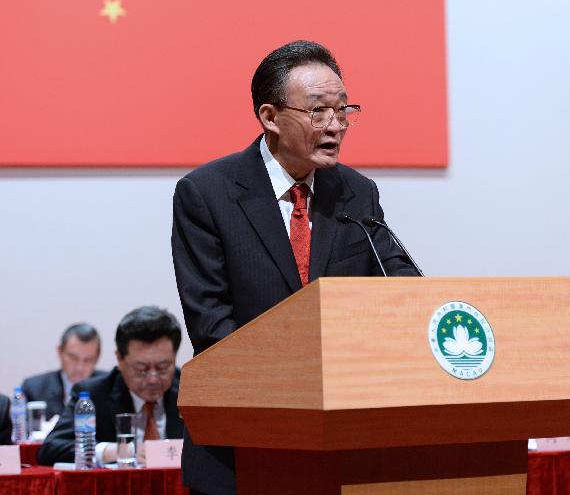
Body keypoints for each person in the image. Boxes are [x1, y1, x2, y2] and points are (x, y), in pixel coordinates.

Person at [171, 40, 417, 495]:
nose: (335, 126)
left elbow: (398, 285)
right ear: (269, 117)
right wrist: (298, 387)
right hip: (242, 447)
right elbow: (211, 324)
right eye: (318, 111)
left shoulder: (356, 193)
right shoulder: (206, 194)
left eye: (343, 111)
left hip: (340, 450)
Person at [38, 306, 183, 466]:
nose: (152, 379)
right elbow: (51, 448)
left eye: (163, 367)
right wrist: (115, 451)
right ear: (120, 359)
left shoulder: (193, 388)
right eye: (141, 369)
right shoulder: (94, 394)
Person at [22, 323, 106, 418]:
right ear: (60, 351)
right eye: (73, 357)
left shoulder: (109, 386)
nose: (79, 367)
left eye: (88, 360)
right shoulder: (35, 388)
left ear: (97, 358)